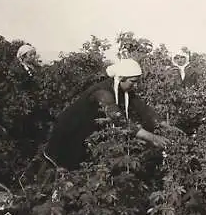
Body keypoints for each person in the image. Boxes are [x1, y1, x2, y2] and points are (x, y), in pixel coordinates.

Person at [37, 58, 177, 177]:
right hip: (70, 131)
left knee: (82, 170)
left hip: (86, 132)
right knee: (61, 171)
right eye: (133, 81)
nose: (136, 85)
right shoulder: (103, 92)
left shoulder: (123, 89)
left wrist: (167, 126)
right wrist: (152, 138)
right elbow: (119, 120)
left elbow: (144, 110)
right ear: (121, 78)